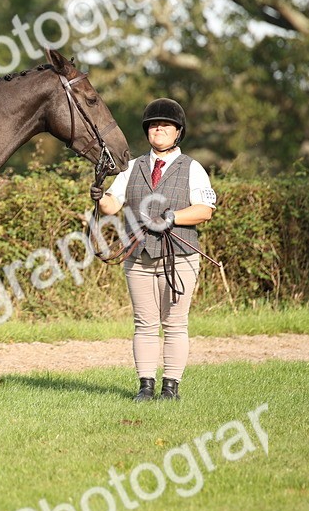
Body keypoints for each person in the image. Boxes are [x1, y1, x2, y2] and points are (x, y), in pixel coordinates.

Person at [91, 98, 216, 401]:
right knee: (144, 323)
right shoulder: (132, 167)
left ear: (177, 132)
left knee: (174, 323)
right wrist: (98, 195)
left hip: (180, 257)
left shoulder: (193, 168)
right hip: (138, 257)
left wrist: (172, 217)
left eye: (165, 125)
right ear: (147, 131)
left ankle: (170, 387)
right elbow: (112, 205)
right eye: (154, 125)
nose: (159, 129)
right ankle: (145, 386)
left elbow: (205, 210)